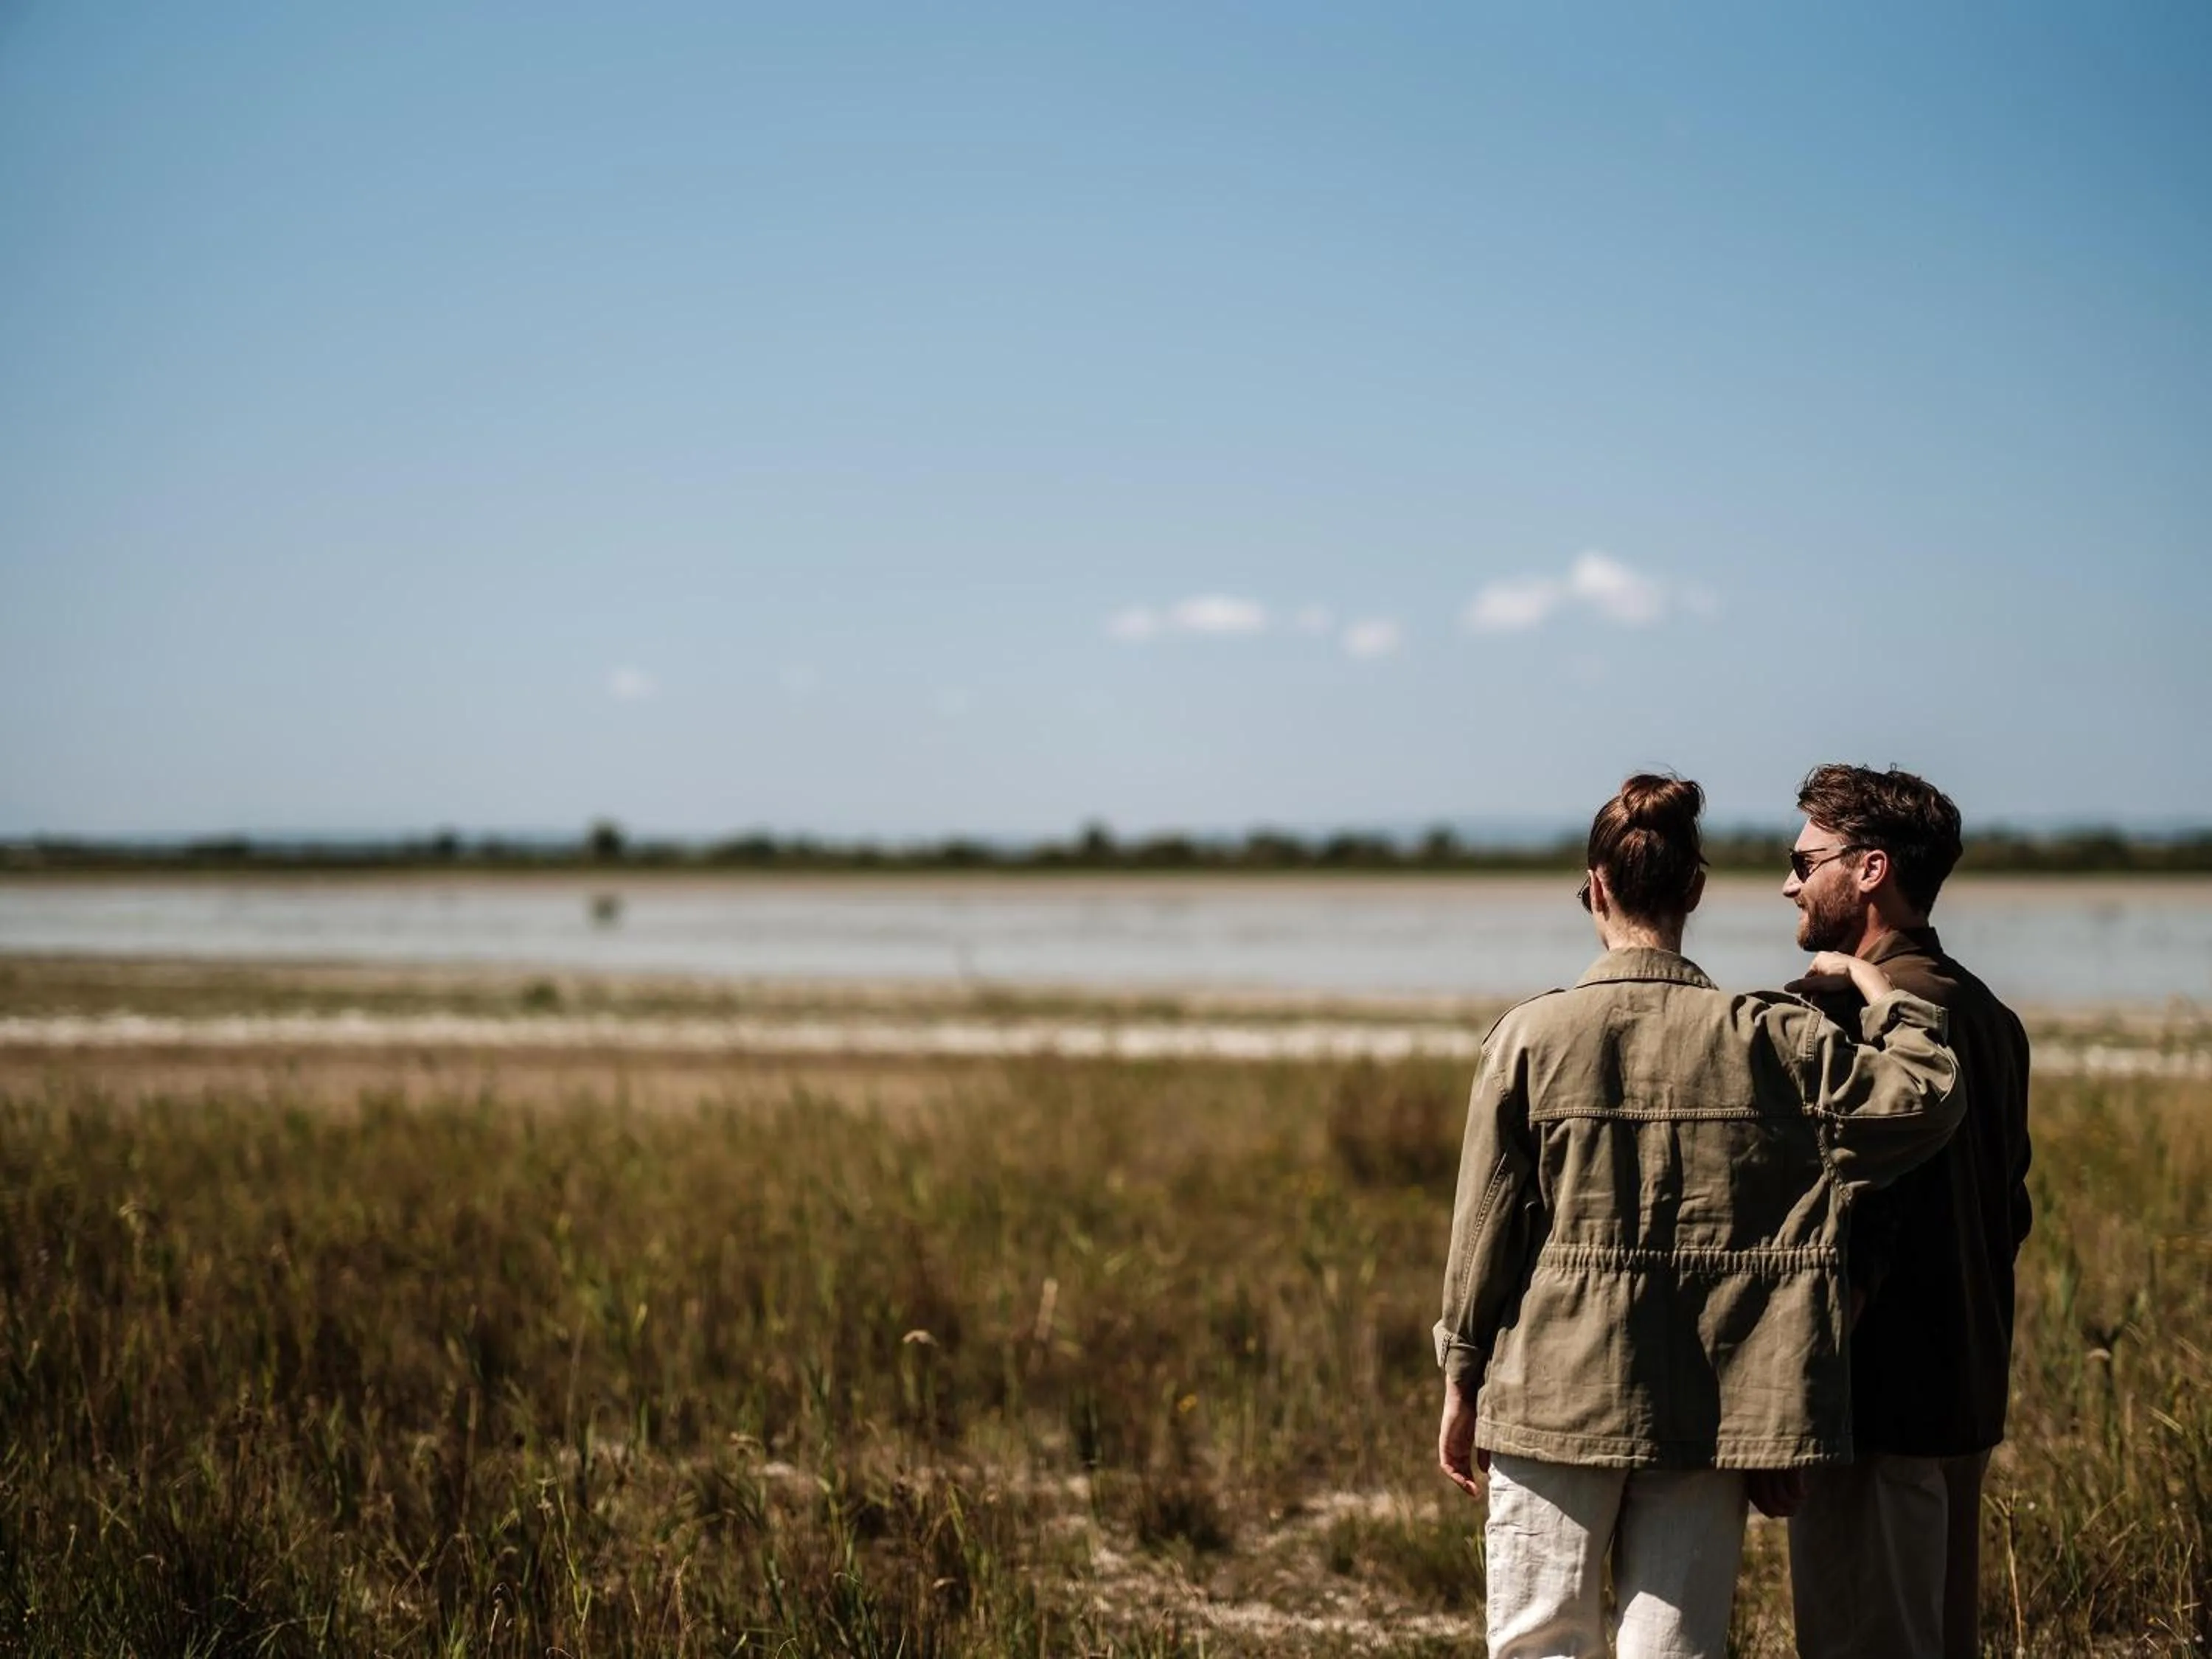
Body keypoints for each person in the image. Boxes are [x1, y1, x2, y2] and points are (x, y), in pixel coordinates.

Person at [1434, 773, 1966, 1659]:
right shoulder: (1771, 1038)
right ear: (1696, 891)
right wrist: (1885, 993)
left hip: (1551, 1389)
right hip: (1710, 1400)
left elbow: (1483, 1235)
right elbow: (1925, 1097)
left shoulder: (1527, 1039)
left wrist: (1460, 1378)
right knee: (1674, 1650)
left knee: (1538, 1642)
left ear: (1595, 887)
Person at [1781, 765, 2033, 1659]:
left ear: (1872, 868)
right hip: (1963, 1392)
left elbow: (1837, 1223)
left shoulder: (1844, 1011)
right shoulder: (1991, 1014)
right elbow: (2012, 1211)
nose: (1789, 882)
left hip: (1872, 1407)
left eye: (1806, 859)